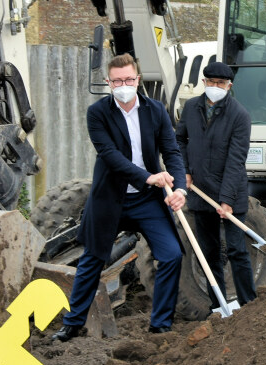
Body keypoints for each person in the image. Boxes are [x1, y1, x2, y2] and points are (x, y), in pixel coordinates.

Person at [52, 54, 189, 340]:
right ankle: (73, 323)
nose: (123, 85)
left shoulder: (156, 110)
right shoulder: (98, 113)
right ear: (108, 82)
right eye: (117, 81)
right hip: (110, 198)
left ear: (138, 79)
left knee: (172, 255)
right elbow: (110, 156)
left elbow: (171, 150)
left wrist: (180, 189)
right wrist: (147, 176)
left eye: (128, 79)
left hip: (148, 200)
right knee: (92, 259)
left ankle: (160, 325)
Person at [176, 62, 257, 312]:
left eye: (220, 83)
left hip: (231, 191)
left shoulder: (239, 115)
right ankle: (218, 306)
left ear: (229, 86)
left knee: (236, 250)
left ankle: (249, 305)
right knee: (209, 253)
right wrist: (185, 171)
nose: (214, 87)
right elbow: (179, 140)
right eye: (210, 82)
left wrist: (227, 200)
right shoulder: (191, 108)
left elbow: (236, 160)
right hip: (200, 191)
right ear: (204, 82)